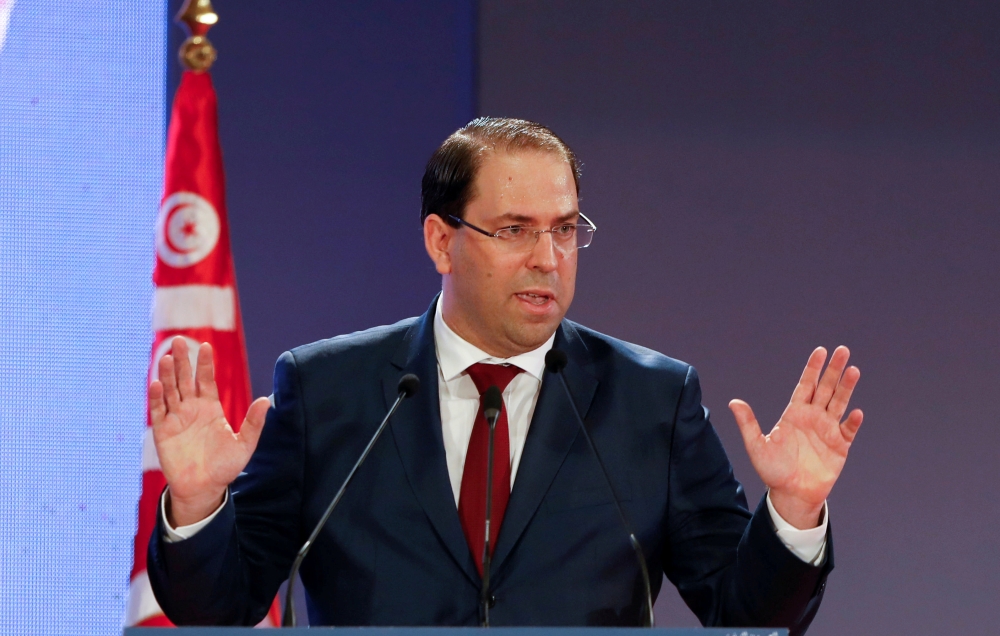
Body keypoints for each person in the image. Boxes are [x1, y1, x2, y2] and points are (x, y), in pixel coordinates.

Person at [146, 118, 863, 633]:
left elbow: (743, 615)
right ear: (441, 240)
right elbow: (220, 607)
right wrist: (200, 503)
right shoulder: (330, 389)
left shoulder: (652, 399)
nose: (548, 258)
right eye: (515, 229)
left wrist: (794, 512)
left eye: (564, 228)